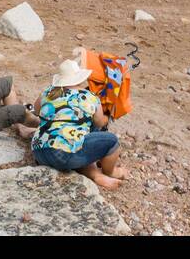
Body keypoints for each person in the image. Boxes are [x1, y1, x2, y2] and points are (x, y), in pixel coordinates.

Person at [32, 59, 124, 190]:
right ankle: (111, 172)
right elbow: (99, 122)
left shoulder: (47, 93)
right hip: (63, 156)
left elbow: (36, 111)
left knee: (77, 138)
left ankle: (95, 175)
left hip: (39, 152)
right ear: (79, 79)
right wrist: (108, 116)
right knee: (111, 140)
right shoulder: (89, 96)